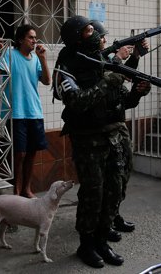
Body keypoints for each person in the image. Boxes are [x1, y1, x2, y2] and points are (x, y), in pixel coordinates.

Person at [55, 15, 150, 268]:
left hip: (111, 137)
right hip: (88, 141)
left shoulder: (101, 62)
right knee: (93, 194)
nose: (95, 34)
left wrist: (137, 94)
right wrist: (110, 75)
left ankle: (101, 240)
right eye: (88, 31)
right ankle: (86, 244)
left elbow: (121, 101)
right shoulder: (67, 66)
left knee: (113, 190)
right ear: (76, 37)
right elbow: (77, 102)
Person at [95, 21, 147, 242]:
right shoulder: (93, 63)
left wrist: (137, 91)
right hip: (102, 130)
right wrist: (118, 59)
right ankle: (100, 222)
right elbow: (106, 82)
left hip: (119, 125)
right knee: (108, 179)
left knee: (124, 172)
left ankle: (113, 213)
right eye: (101, 37)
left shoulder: (107, 61)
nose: (105, 40)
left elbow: (124, 97)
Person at [0, 24, 51, 198]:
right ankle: (16, 191)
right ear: (20, 40)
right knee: (19, 153)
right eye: (30, 37)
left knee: (32, 152)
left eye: (35, 37)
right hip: (15, 112)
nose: (34, 41)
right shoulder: (10, 55)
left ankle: (26, 189)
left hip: (34, 111)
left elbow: (47, 81)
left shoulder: (36, 58)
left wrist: (43, 59)